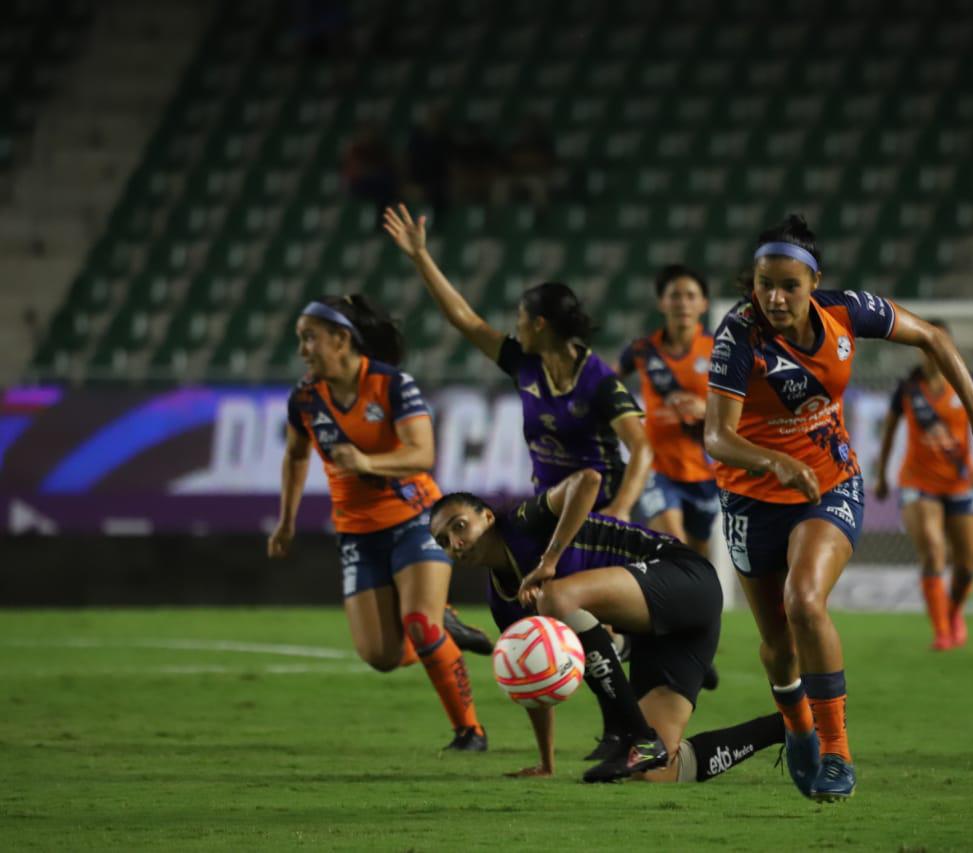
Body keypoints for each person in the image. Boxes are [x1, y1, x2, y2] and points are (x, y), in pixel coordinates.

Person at [703, 214, 973, 802]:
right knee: (777, 644)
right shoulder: (738, 334)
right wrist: (773, 461)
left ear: (814, 283)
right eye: (765, 284)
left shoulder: (846, 312)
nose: (775, 297)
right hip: (751, 494)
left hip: (829, 481)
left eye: (790, 285)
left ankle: (837, 753)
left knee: (804, 602)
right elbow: (716, 436)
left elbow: (934, 339)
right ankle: (797, 731)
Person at [428, 468, 784, 784]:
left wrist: (550, 559)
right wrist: (546, 761)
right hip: (660, 630)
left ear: (487, 517)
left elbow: (588, 480)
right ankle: (787, 726)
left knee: (554, 599)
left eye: (459, 526)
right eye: (443, 541)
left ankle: (632, 732)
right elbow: (529, 681)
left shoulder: (522, 521)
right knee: (655, 772)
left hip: (684, 578)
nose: (455, 544)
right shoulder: (501, 600)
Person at [267, 294, 488, 750]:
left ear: (341, 339)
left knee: (420, 625)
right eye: (300, 339)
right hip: (356, 531)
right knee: (381, 656)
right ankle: (444, 627)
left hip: (416, 519)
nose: (302, 349)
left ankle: (470, 731)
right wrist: (285, 521)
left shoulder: (392, 386)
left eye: (309, 337)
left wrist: (367, 461)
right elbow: (294, 455)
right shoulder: (305, 399)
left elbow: (423, 453)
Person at [382, 204, 652, 520]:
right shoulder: (523, 363)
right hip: (548, 512)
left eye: (520, 319)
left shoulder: (600, 383)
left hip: (599, 515)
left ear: (539, 324)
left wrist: (621, 507)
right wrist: (420, 257)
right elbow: (464, 320)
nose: (515, 326)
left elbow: (642, 448)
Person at [873, 320, 973, 651]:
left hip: (960, 480)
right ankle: (941, 633)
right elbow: (890, 433)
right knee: (934, 552)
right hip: (918, 482)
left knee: (967, 565)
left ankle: (953, 613)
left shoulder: (966, 382)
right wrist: (881, 475)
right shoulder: (907, 388)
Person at [617, 264, 718, 557]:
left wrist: (707, 408)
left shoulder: (719, 348)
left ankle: (703, 598)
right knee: (673, 544)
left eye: (690, 295)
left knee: (698, 553)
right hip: (657, 467)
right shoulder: (641, 350)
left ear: (703, 304)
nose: (682, 303)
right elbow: (606, 384)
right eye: (675, 295)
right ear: (662, 302)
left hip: (705, 471)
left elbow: (746, 404)